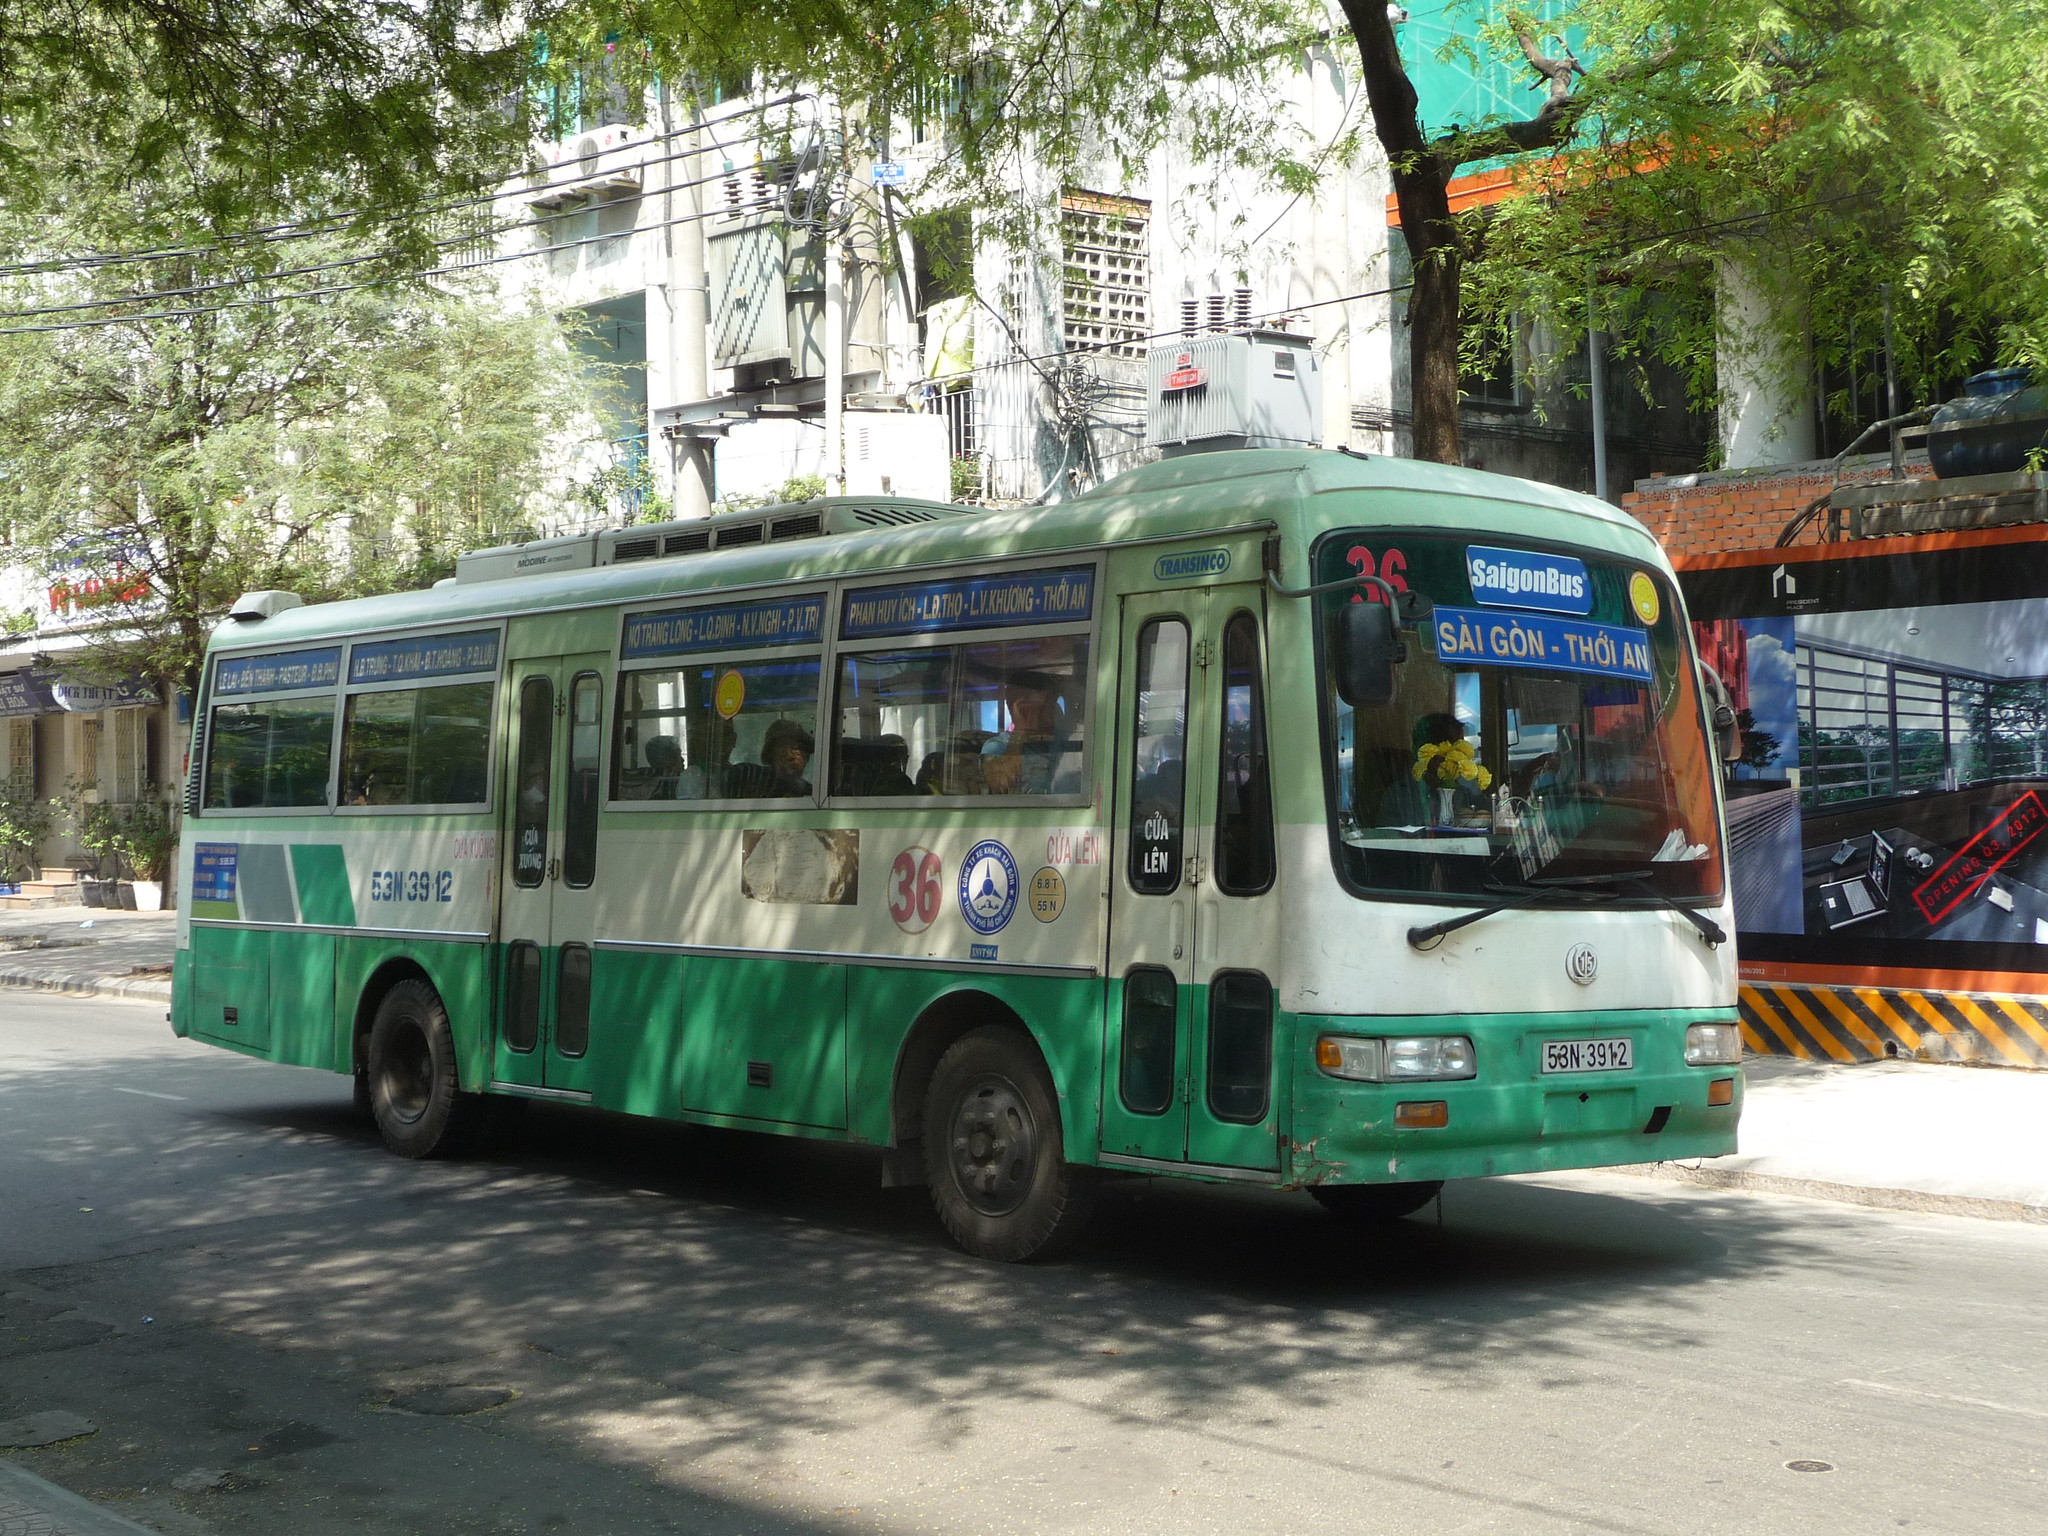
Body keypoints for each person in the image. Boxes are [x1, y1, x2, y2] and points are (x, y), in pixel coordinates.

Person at [981, 670, 1081, 795]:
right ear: (1014, 708)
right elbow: (1000, 783)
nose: (1037, 714)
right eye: (1029, 708)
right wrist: (1020, 732)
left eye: (1045, 706)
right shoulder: (998, 745)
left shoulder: (1070, 740)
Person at [759, 718, 814, 797]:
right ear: (772, 758)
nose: (790, 756)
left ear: (806, 756)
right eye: (782, 752)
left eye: (795, 748)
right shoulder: (757, 791)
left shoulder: (813, 795)